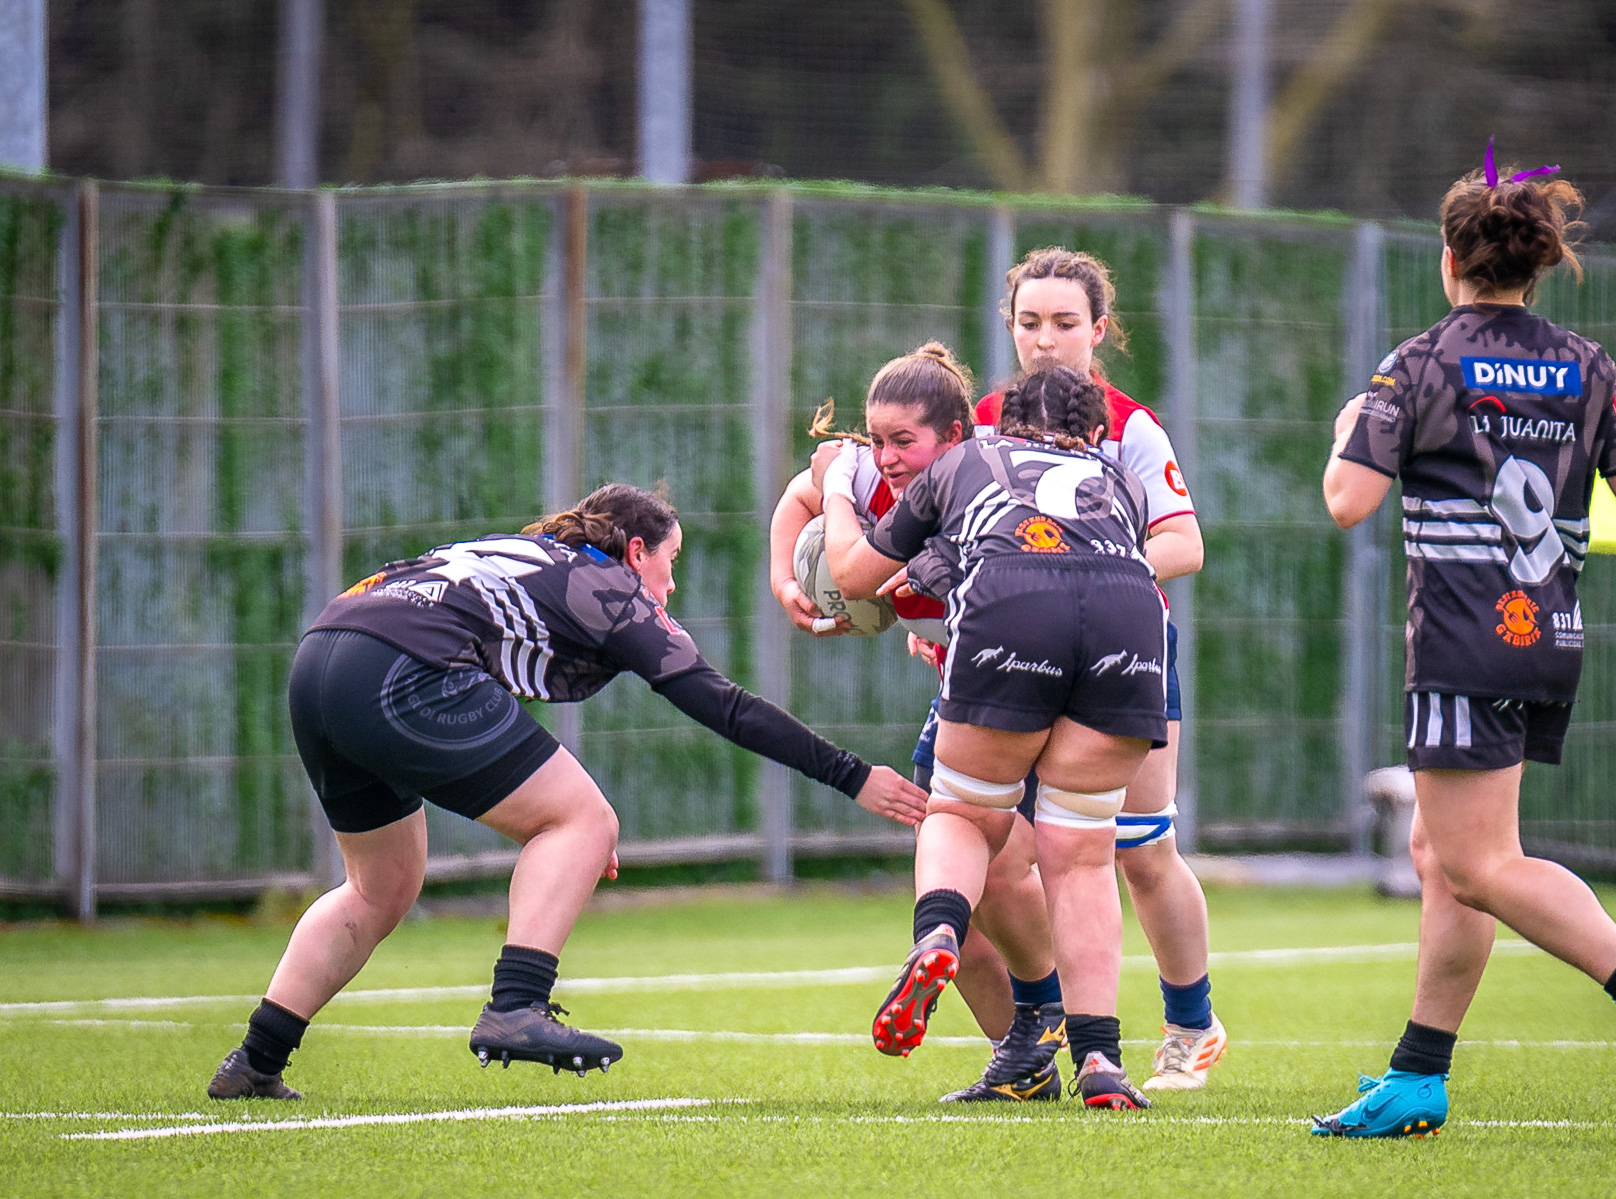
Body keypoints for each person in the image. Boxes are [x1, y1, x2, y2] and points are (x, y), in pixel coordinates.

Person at [207, 483, 927, 1100]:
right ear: (635, 550)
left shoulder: (532, 560)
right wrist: (853, 774)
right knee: (583, 818)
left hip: (321, 659)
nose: (670, 587)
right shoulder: (609, 587)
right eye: (669, 564)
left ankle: (257, 1058)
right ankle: (516, 1004)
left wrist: (569, 844)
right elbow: (723, 704)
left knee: (382, 885)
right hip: (401, 668)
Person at [1313, 147, 1616, 1138]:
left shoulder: (1420, 364)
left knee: (1481, 862)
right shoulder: (1583, 362)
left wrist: (1347, 427)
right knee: (1442, 852)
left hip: (1460, 640)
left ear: (1451, 258)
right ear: (1536, 266)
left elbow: (1346, 501)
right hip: (1547, 632)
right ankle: (1418, 1070)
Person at [916, 247, 1223, 1102]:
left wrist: (1093, 566)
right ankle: (1046, 1037)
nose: (1045, 341)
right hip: (1013, 657)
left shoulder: (1129, 425)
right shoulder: (983, 421)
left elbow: (1184, 543)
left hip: (1122, 656)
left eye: (1063, 323)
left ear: (1099, 329)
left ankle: (1191, 1023)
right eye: (1028, 323)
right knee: (994, 847)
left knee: (1140, 848)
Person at [826, 365, 1166, 1110]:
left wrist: (834, 492)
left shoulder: (964, 460)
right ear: (1098, 436)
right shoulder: (1126, 485)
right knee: (1081, 854)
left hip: (1015, 604)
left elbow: (852, 575)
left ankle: (939, 933)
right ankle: (1101, 1058)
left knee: (963, 814)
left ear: (999, 423)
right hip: (1133, 622)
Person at [769, 343, 1039, 1047]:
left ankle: (1064, 1023)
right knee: (956, 893)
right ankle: (1024, 1047)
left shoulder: (989, 477)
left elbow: (865, 574)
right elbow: (798, 498)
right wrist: (784, 579)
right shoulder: (859, 471)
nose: (884, 455)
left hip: (1033, 691)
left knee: (1007, 879)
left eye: (903, 441)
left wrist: (935, 598)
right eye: (876, 437)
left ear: (955, 437)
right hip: (962, 691)